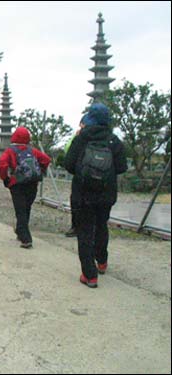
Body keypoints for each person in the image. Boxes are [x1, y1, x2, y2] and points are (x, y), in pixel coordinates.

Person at [65, 103, 127, 288]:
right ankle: (102, 261)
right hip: (106, 194)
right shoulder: (114, 141)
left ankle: (89, 275)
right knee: (101, 226)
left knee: (84, 231)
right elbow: (122, 167)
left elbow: (68, 165)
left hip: (83, 193)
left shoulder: (81, 138)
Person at [0, 127, 51, 249]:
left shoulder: (10, 151)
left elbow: (2, 164)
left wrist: (5, 179)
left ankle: (26, 239)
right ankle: (20, 231)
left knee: (20, 210)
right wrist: (40, 171)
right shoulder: (32, 151)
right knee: (26, 208)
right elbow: (46, 160)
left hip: (17, 184)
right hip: (32, 183)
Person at [64, 122, 84, 238]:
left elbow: (68, 151)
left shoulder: (78, 138)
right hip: (104, 181)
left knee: (76, 201)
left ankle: (76, 227)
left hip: (80, 175)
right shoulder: (110, 139)